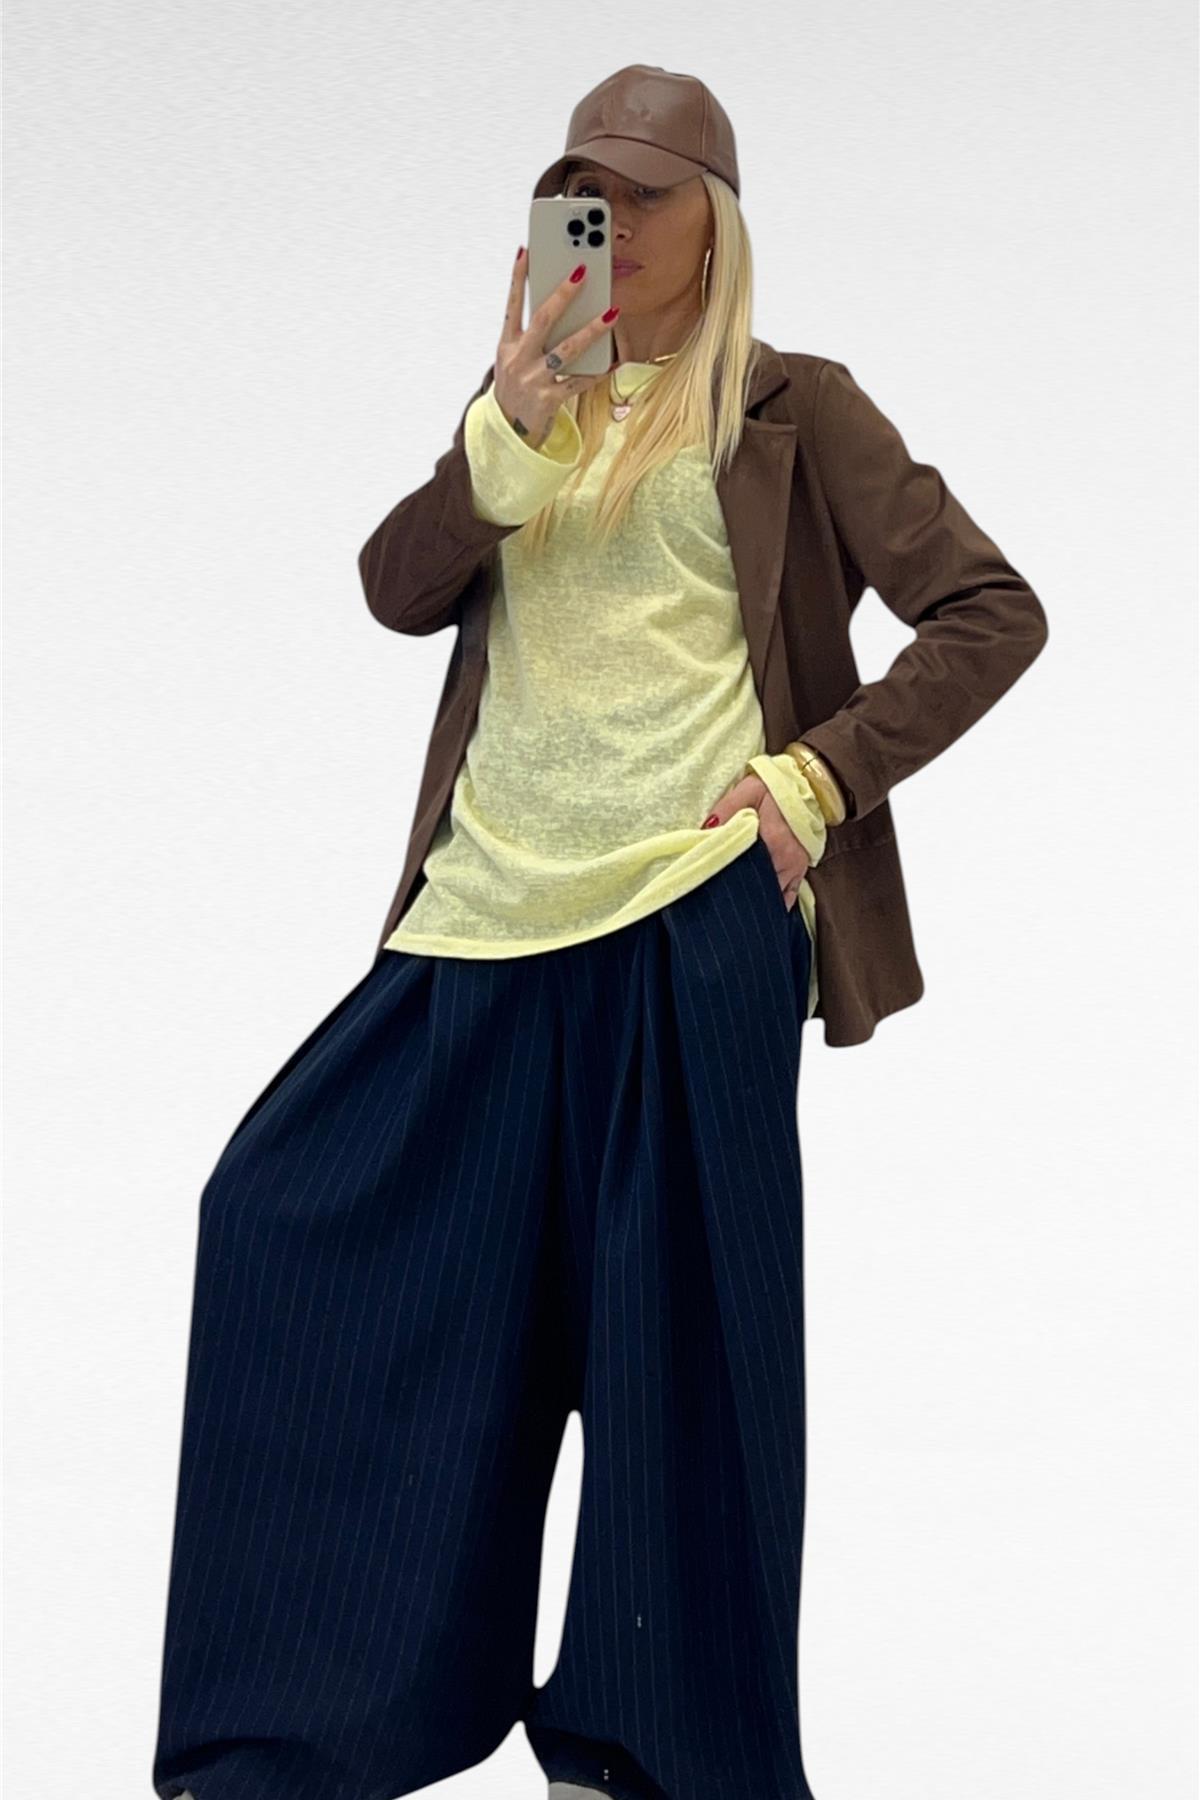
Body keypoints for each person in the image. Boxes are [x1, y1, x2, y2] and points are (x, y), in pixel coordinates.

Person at [152, 64, 1047, 1800]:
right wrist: (511, 419)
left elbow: (989, 610)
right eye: (587, 196)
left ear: (719, 218)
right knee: (281, 1224)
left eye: (648, 194)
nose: (615, 225)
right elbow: (396, 587)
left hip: (688, 923)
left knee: (677, 1352)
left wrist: (813, 784)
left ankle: (650, 1755)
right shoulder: (531, 400)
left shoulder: (793, 406)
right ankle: (300, 1735)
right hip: (480, 922)